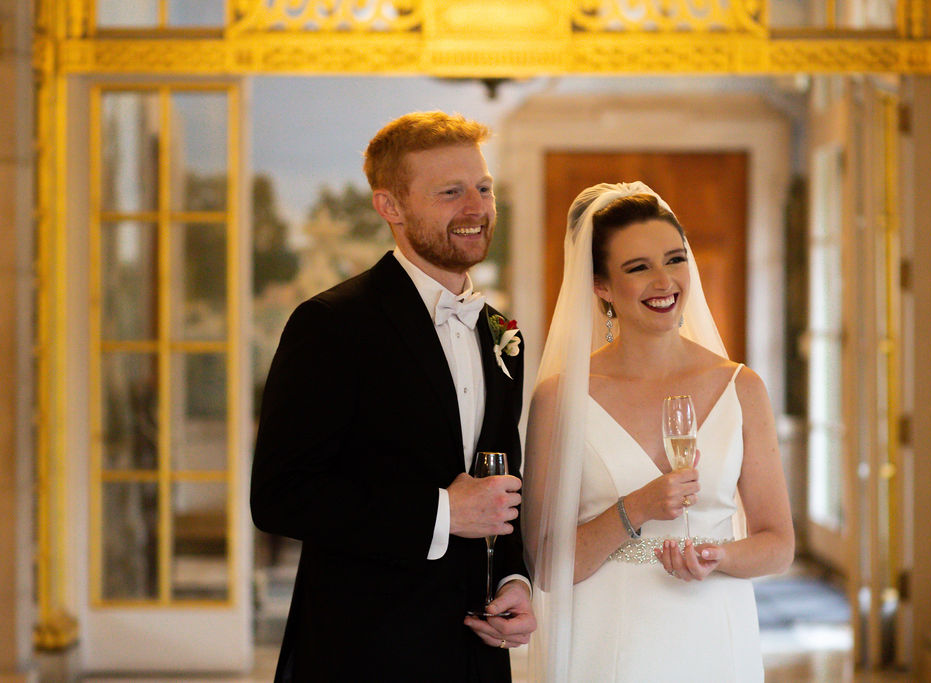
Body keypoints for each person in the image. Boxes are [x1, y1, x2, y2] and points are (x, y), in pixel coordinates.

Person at [251, 111, 536, 682]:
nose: (476, 208)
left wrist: (513, 582)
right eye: (450, 192)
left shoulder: (503, 332)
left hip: (476, 654)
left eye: (483, 188)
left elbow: (500, 483)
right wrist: (442, 512)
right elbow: (279, 495)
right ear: (391, 207)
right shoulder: (330, 324)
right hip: (365, 651)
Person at [523, 182, 794, 681]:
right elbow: (546, 565)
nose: (664, 280)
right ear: (601, 286)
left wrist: (718, 555)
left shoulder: (742, 387)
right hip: (606, 641)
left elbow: (778, 543)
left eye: (675, 259)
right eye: (638, 267)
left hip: (715, 635)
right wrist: (636, 509)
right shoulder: (560, 399)